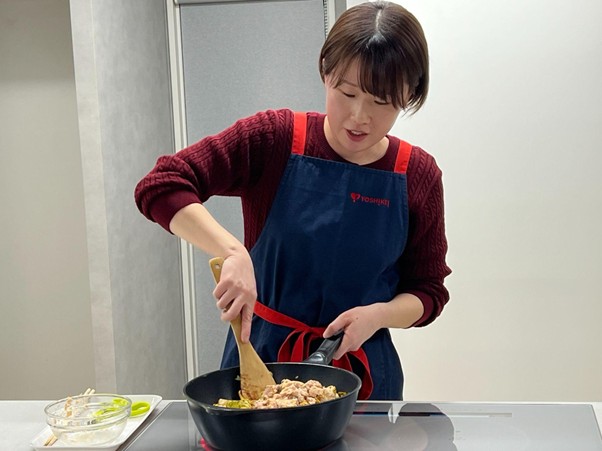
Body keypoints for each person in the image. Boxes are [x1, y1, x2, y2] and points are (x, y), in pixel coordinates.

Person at [135, 1, 451, 400]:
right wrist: (231, 251)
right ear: (325, 72)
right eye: (347, 92)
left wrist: (379, 315)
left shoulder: (417, 174)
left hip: (363, 376)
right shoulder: (275, 139)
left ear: (410, 94)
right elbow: (161, 184)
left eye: (382, 101)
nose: (359, 116)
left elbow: (428, 291)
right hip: (262, 366)